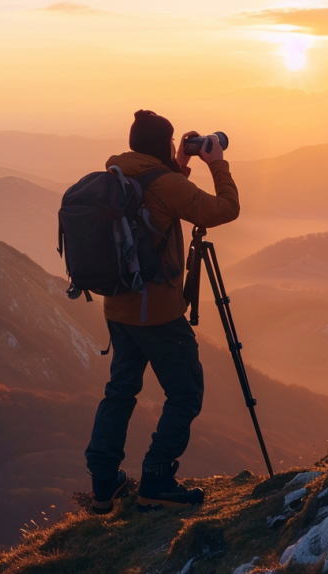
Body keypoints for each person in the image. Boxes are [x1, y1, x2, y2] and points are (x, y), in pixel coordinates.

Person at [84, 110, 240, 513]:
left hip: (118, 307)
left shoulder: (118, 175)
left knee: (120, 391)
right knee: (185, 392)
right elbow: (224, 209)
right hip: (157, 314)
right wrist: (216, 162)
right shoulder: (165, 183)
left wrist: (179, 167)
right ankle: (156, 478)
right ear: (164, 146)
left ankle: (103, 485)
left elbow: (155, 208)